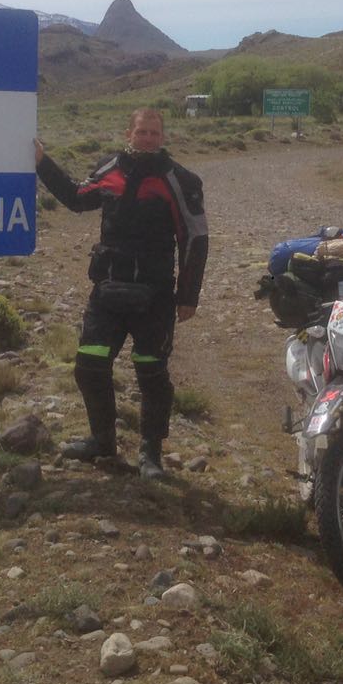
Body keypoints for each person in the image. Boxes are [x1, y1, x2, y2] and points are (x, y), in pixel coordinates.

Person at [35, 108, 208, 480]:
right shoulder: (109, 169)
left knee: (151, 373)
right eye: (141, 132)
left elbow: (195, 239)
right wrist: (42, 163)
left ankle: (150, 453)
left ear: (162, 136)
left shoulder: (180, 179)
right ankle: (102, 440)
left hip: (156, 294)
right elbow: (77, 198)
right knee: (88, 366)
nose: (147, 138)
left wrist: (187, 296)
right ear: (128, 133)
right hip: (108, 291)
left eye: (154, 133)